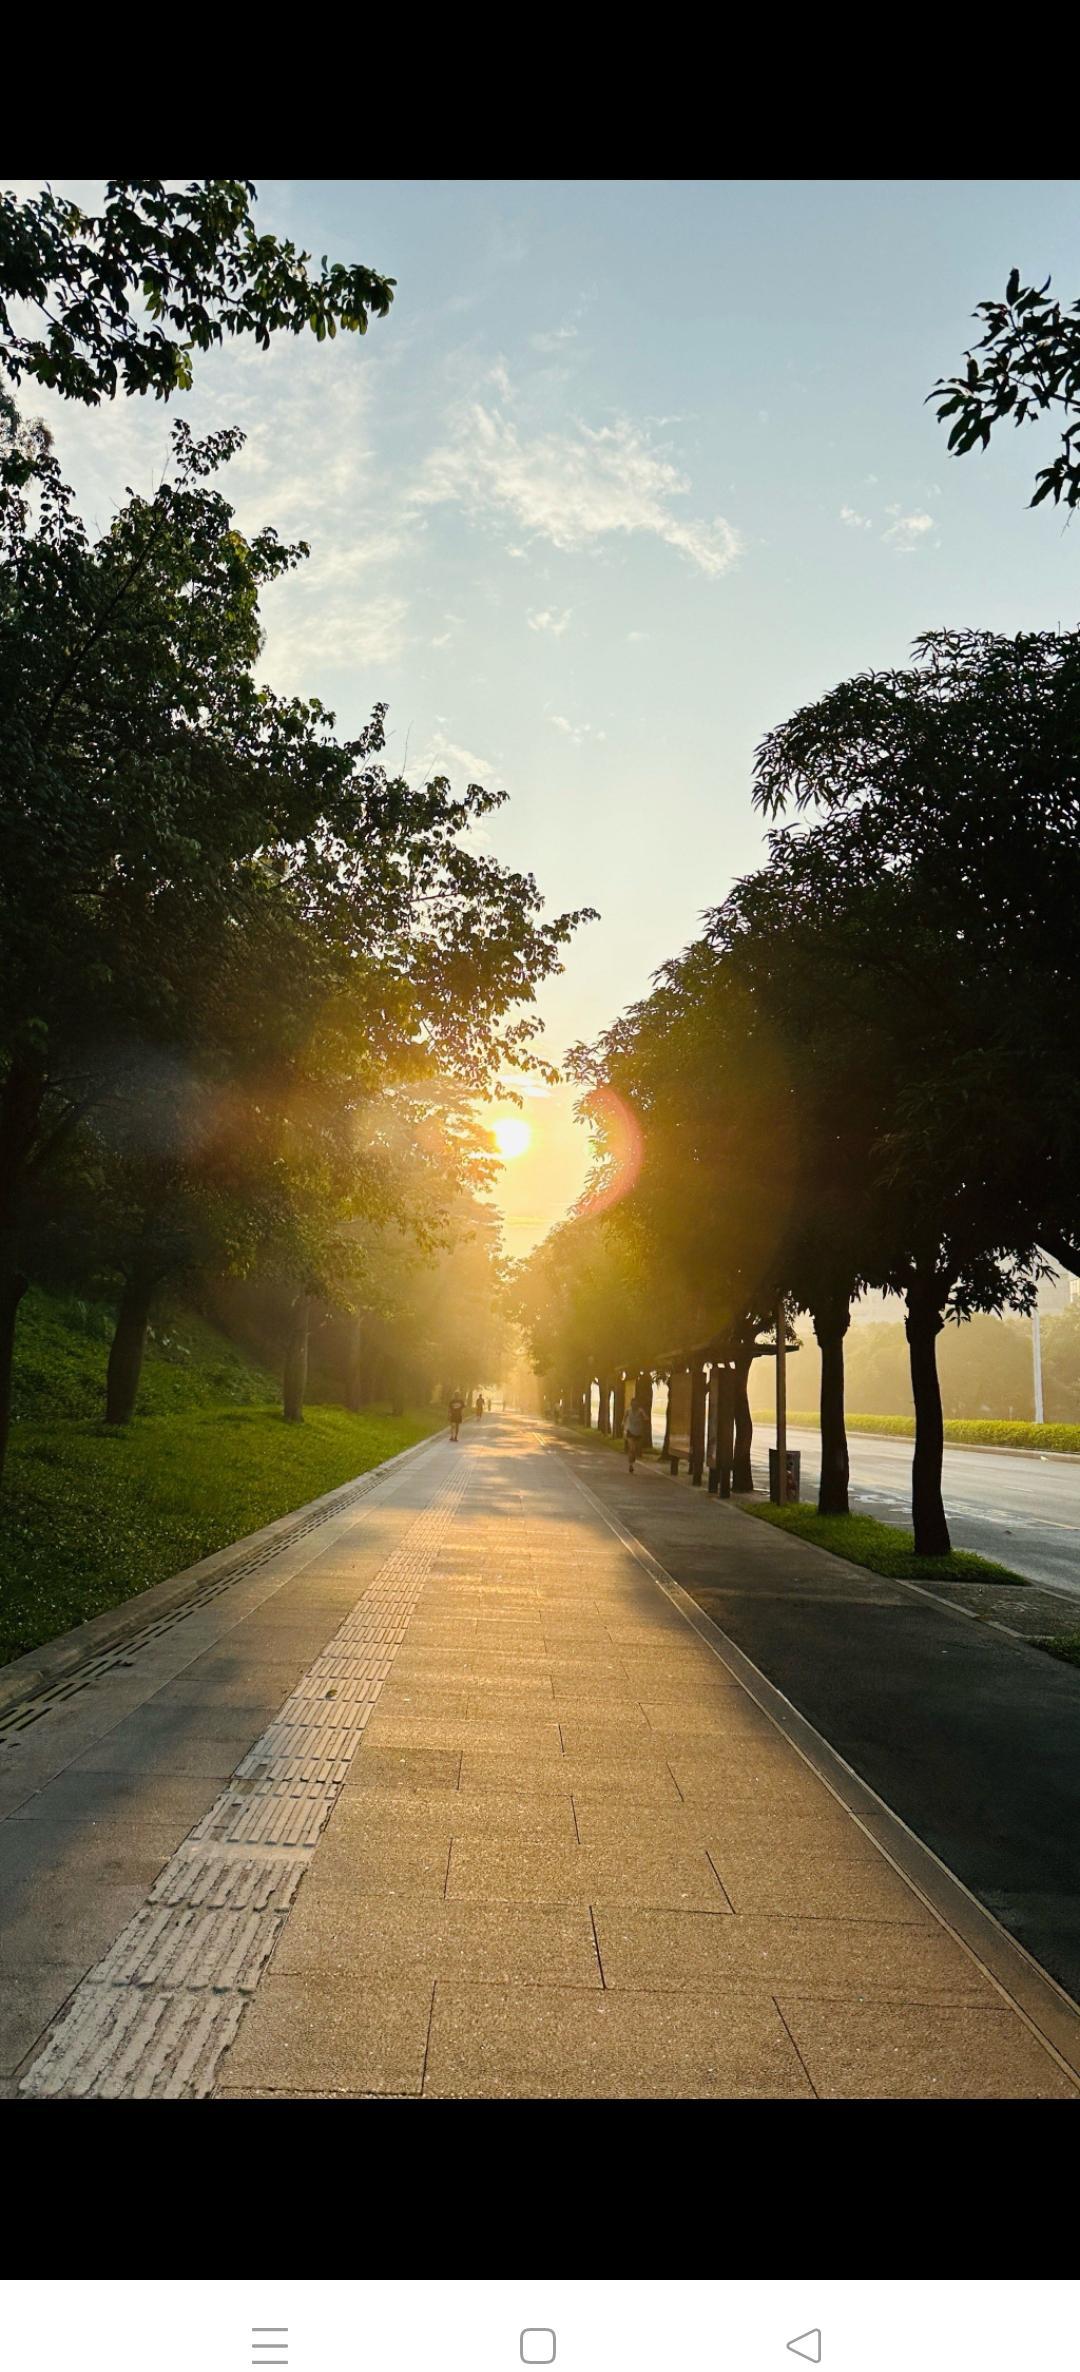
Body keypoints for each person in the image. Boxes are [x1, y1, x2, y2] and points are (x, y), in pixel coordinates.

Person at [624, 1396, 649, 1472]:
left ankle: (633, 1457)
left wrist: (644, 1418)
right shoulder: (628, 1410)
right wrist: (623, 1423)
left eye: (636, 1404)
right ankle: (630, 1465)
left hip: (638, 1432)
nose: (634, 1405)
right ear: (631, 1404)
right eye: (633, 1403)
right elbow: (624, 1418)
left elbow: (646, 1418)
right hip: (630, 1431)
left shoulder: (640, 1411)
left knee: (636, 1449)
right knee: (632, 1448)